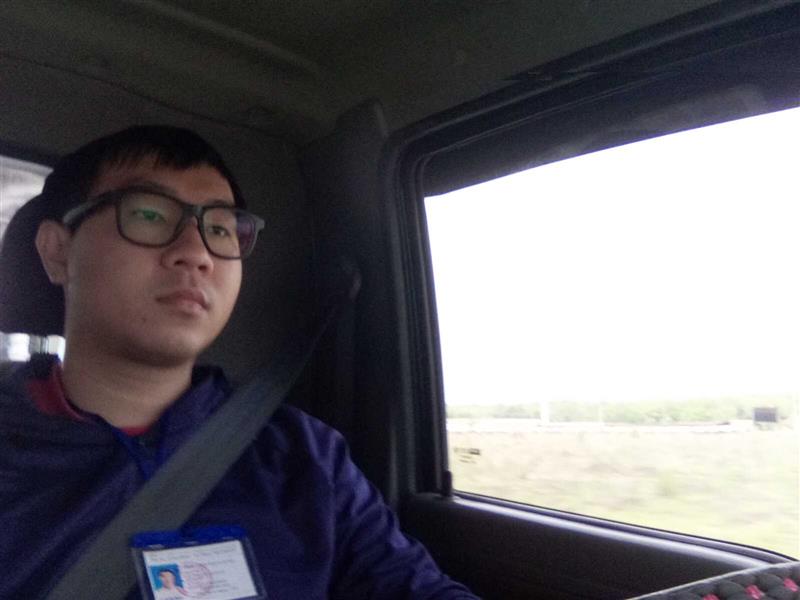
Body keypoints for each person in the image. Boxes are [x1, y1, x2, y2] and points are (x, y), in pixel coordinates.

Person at [0, 126, 478, 599]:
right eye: (149, 214)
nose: (196, 254)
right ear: (57, 251)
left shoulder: (303, 456)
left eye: (220, 229)